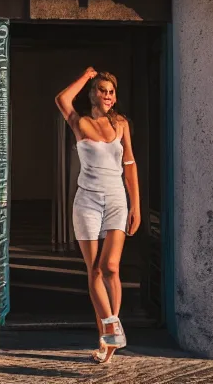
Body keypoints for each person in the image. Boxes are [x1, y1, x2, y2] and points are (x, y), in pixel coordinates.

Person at [55, 67, 141, 364]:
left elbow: (129, 164)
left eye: (111, 91)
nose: (107, 95)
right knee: (94, 270)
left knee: (112, 267)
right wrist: (85, 75)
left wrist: (136, 205)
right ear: (92, 94)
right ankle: (109, 333)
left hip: (117, 198)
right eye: (102, 90)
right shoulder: (80, 123)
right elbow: (62, 98)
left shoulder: (121, 124)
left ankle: (111, 327)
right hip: (87, 200)